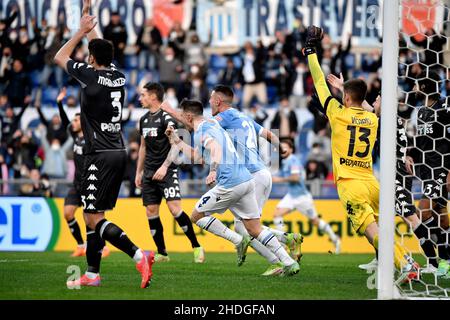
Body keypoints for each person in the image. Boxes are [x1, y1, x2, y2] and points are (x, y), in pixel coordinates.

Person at [304, 25, 418, 282]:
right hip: (371, 181)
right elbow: (365, 105)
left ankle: (406, 264)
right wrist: (346, 89)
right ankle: (398, 262)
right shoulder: (372, 119)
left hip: (350, 184)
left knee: (372, 232)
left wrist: (310, 50)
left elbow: (319, 81)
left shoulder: (337, 113)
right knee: (380, 230)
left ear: (344, 98)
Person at [54, 1, 153, 288]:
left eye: (88, 54)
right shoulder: (118, 77)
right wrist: (90, 27)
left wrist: (79, 31)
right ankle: (93, 274)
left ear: (92, 58)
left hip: (99, 154)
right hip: (117, 150)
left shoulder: (89, 74)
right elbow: (101, 51)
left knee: (93, 217)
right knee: (92, 215)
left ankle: (138, 255)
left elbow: (60, 56)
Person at [165, 99, 300, 276]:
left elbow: (214, 149)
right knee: (254, 228)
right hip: (246, 180)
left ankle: (237, 241)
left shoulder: (203, 131)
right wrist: (176, 140)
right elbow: (199, 157)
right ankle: (289, 262)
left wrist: (213, 170)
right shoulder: (211, 125)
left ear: (189, 116)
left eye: (183, 116)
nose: (181, 119)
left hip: (230, 183)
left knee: (196, 216)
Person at [208, 85, 303, 276]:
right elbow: (270, 134)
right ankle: (287, 240)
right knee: (243, 225)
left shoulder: (224, 117)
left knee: (247, 228)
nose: (209, 102)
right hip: (262, 173)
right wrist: (280, 148)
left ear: (218, 101)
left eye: (211, 98)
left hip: (251, 176)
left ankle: (278, 260)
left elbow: (201, 127)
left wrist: (172, 113)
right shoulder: (244, 118)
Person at [135, 82, 204, 263]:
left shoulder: (167, 118)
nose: (140, 98)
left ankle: (196, 246)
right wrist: (139, 172)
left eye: (143, 95)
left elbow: (175, 146)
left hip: (167, 169)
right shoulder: (143, 120)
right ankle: (162, 253)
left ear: (152, 96)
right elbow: (142, 147)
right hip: (149, 172)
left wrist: (164, 167)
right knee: (151, 211)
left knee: (174, 209)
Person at [56, 87, 110, 258]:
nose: (74, 123)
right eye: (74, 120)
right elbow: (65, 123)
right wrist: (59, 103)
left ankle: (104, 246)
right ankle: (80, 245)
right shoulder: (75, 137)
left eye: (77, 120)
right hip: (77, 184)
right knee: (68, 213)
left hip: (91, 184)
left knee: (94, 220)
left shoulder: (91, 139)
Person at [273, 138, 341, 254]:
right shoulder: (285, 161)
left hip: (302, 197)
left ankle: (335, 239)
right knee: (277, 214)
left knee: (315, 221)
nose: (283, 150)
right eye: (281, 147)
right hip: (291, 196)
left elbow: (295, 178)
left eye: (285, 147)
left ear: (291, 149)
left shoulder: (293, 161)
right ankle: (284, 243)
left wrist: (279, 179)